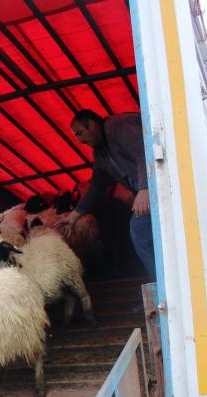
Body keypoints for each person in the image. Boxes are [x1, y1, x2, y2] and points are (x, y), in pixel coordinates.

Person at [56, 109, 156, 281]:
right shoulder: (100, 154)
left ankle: (162, 286)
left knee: (139, 229)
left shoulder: (118, 125)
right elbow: (97, 187)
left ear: (92, 125)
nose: (79, 141)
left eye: (80, 133)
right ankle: (160, 282)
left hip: (161, 187)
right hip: (146, 193)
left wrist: (144, 188)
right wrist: (73, 216)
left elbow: (143, 150)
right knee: (140, 231)